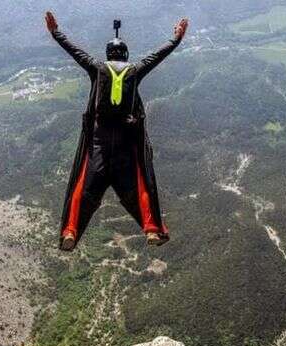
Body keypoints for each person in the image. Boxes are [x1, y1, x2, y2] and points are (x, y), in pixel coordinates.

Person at [45, 11, 188, 251]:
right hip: (125, 140)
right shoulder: (134, 70)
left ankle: (70, 230)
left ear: (108, 54)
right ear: (125, 54)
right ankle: (152, 229)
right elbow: (157, 56)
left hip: (99, 141)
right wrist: (177, 38)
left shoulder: (98, 68)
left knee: (82, 185)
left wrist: (55, 32)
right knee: (141, 184)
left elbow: (75, 52)